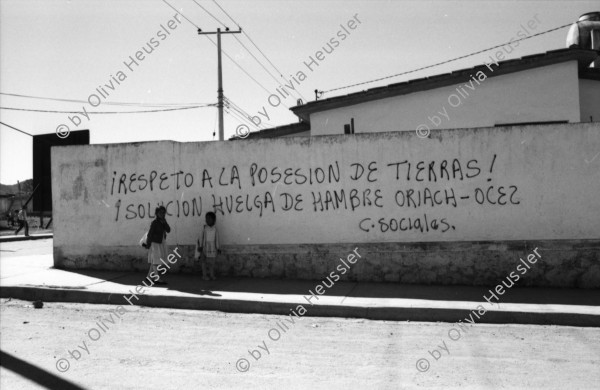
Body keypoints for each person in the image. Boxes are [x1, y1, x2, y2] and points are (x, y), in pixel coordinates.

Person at [144, 206, 170, 285]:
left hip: (160, 243)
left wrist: (164, 222)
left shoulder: (163, 222)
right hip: (155, 243)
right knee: (156, 261)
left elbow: (168, 230)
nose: (162, 214)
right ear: (156, 214)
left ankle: (148, 277)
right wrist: (148, 245)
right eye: (160, 213)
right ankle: (156, 278)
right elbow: (150, 234)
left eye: (163, 213)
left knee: (155, 261)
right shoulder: (154, 223)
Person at [196, 211, 221, 281]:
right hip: (204, 247)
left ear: (214, 220)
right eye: (206, 218)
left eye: (209, 218)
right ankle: (204, 275)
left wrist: (218, 248)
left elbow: (217, 239)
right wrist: (200, 246)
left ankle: (211, 275)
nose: (207, 220)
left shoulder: (215, 229)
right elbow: (201, 237)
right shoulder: (204, 228)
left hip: (212, 248)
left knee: (211, 263)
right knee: (204, 262)